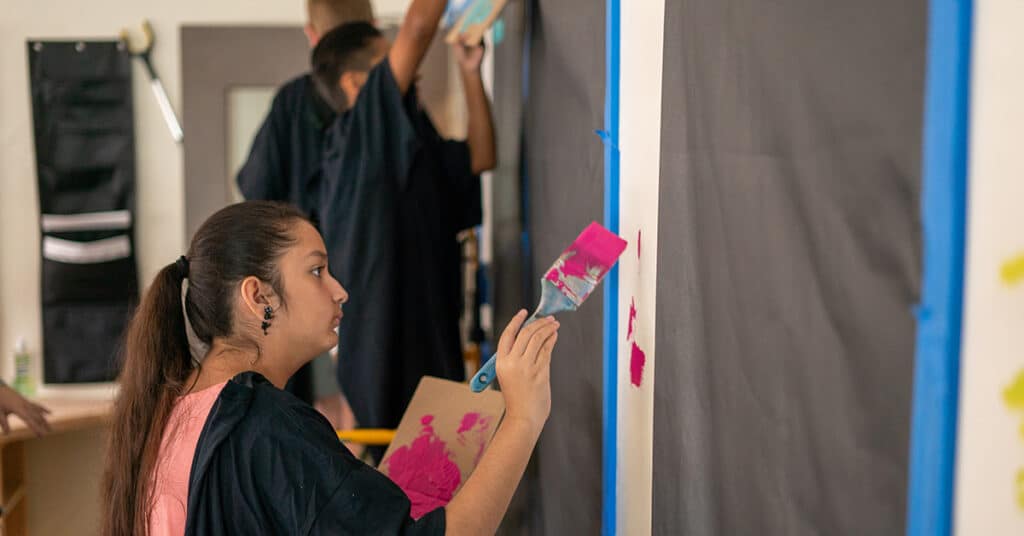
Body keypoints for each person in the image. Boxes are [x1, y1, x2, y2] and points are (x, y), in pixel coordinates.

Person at [100, 201, 558, 535]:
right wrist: (523, 417)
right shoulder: (264, 426)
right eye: (317, 271)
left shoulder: (178, 415)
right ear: (259, 296)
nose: (340, 291)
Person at [313, 0, 496, 445]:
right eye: (387, 59)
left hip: (432, 343)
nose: (408, 68)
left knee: (441, 487)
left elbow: (480, 156)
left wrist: (469, 71)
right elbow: (418, 27)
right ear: (357, 83)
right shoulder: (357, 138)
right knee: (410, 492)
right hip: (385, 358)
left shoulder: (410, 135)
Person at [236, 0, 374, 419]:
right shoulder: (387, 109)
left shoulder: (292, 102)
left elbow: (255, 191)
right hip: (371, 280)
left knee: (323, 407)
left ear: (312, 36)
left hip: (308, 282)